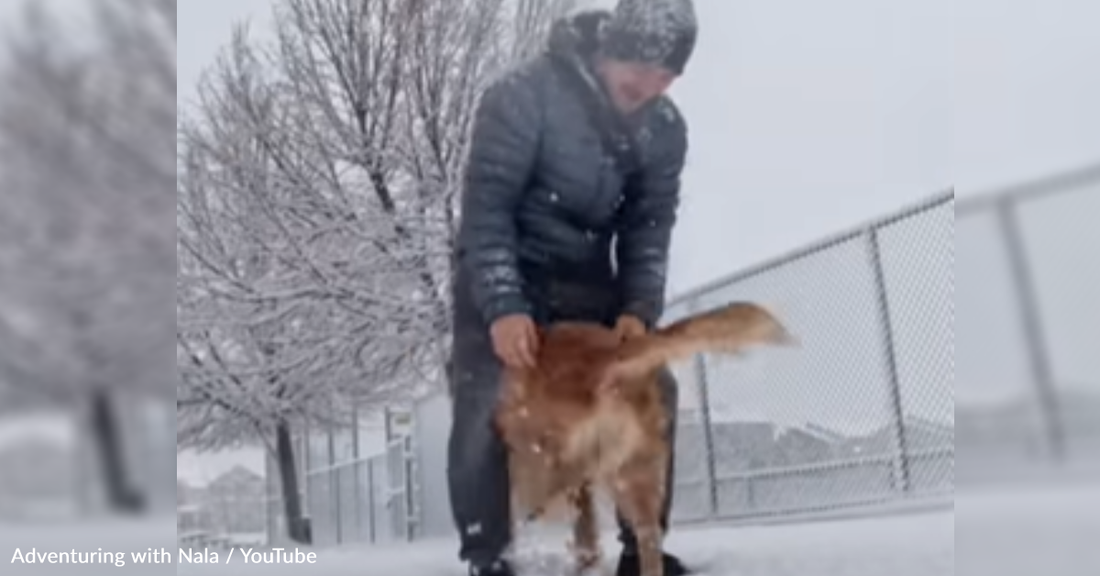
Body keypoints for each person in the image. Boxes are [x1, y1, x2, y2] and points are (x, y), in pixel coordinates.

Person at [447, 1, 698, 575]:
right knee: (487, 396)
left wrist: (637, 309)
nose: (651, 85)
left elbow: (648, 229)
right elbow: (487, 213)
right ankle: (487, 553)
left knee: (653, 384)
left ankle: (644, 546)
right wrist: (504, 307)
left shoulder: (664, 130)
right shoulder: (521, 96)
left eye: (667, 76)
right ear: (610, 49)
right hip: (504, 276)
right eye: (641, 67)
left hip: (588, 286)